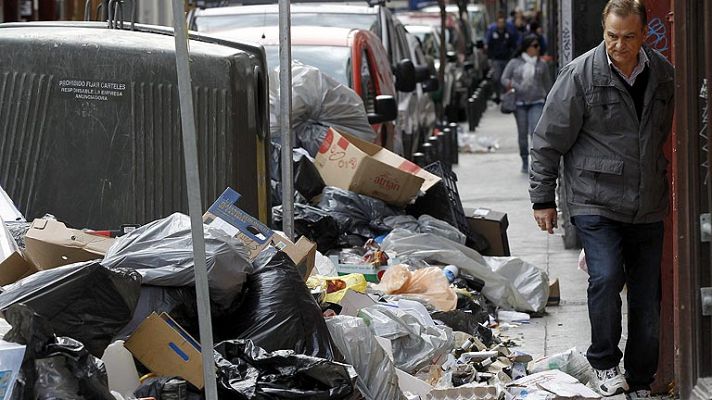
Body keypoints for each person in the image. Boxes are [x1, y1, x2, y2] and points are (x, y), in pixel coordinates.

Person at [529, 0, 674, 398]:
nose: (619, 45)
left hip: (647, 203)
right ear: (603, 31)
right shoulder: (579, 75)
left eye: (629, 37)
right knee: (607, 277)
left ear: (644, 34)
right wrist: (543, 198)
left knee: (647, 297)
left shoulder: (663, 74)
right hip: (594, 200)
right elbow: (547, 141)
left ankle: (641, 378)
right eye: (612, 36)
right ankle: (605, 363)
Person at [501, 34, 552, 173]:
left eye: (538, 45)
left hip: (537, 102)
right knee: (522, 135)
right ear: (527, 48)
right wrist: (514, 85)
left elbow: (548, 85)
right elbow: (504, 78)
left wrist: (550, 102)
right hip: (519, 103)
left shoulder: (542, 64)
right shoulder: (514, 63)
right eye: (535, 46)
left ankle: (535, 162)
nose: (538, 48)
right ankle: (524, 159)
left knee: (535, 132)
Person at [485, 12, 518, 103]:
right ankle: (497, 94)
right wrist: (490, 57)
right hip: (496, 59)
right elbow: (488, 45)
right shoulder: (493, 33)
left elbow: (513, 45)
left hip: (506, 58)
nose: (501, 24)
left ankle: (505, 95)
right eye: (499, 22)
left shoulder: (508, 33)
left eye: (502, 22)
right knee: (496, 77)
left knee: (505, 78)